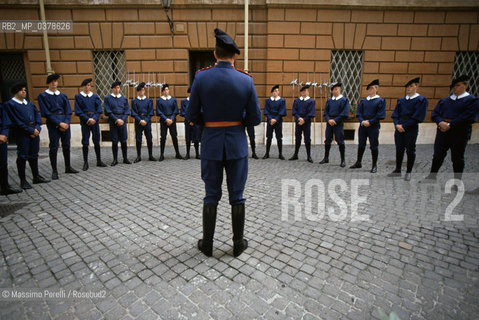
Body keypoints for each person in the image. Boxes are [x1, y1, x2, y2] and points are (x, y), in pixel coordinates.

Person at [186, 28, 261, 257]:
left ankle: (207, 244)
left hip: (211, 143)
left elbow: (191, 114)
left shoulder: (201, 77)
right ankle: (238, 244)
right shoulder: (246, 80)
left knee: (211, 194)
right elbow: (256, 118)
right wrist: (239, 123)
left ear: (215, 53)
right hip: (237, 144)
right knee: (237, 195)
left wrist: (206, 122)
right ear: (234, 56)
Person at [423, 75, 479, 182]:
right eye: (454, 86)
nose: (455, 88)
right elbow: (435, 114)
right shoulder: (445, 101)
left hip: (459, 132)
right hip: (442, 131)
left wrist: (450, 125)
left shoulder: (472, 101)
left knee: (457, 157)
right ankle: (432, 176)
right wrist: (440, 122)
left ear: (465, 86)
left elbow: (469, 117)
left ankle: (457, 181)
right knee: (438, 154)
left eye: (458, 85)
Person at [4, 82, 50, 189]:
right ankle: (23, 180)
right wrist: (30, 130)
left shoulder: (29, 104)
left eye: (25, 90)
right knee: (22, 156)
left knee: (34, 155)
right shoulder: (10, 105)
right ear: (16, 92)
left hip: (34, 133)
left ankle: (36, 176)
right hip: (22, 134)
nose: (24, 92)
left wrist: (37, 129)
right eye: (22, 90)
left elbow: (37, 118)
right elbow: (16, 121)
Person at [38, 73, 78, 180]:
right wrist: (59, 123)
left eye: (55, 81)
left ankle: (68, 166)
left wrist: (66, 122)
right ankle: (54, 170)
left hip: (65, 123)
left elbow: (68, 111)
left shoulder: (62, 96)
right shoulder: (43, 96)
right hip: (53, 123)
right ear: (48, 83)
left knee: (66, 146)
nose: (54, 83)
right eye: (52, 81)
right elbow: (46, 113)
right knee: (54, 147)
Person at [388, 77, 428, 181]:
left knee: (410, 150)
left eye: (411, 86)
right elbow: (395, 114)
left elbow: (418, 117)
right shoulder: (401, 100)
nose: (409, 88)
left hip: (411, 128)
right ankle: (397, 169)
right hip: (399, 127)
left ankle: (408, 171)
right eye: (408, 86)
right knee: (399, 149)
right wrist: (397, 124)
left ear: (416, 87)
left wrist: (404, 126)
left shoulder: (421, 100)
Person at [350, 79, 386, 173]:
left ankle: (374, 165)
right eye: (369, 88)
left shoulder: (380, 101)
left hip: (373, 126)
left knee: (374, 146)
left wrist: (370, 122)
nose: (370, 90)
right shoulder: (363, 101)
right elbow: (359, 113)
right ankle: (358, 162)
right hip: (363, 126)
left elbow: (380, 115)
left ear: (376, 89)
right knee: (361, 144)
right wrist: (362, 121)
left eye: (372, 88)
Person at [74, 78, 107, 171]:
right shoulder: (78, 97)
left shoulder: (95, 97)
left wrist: (94, 119)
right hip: (85, 122)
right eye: (86, 85)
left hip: (94, 121)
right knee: (85, 142)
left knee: (96, 140)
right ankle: (85, 162)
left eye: (89, 85)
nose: (87, 87)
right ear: (83, 86)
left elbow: (99, 110)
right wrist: (88, 119)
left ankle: (99, 160)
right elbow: (78, 111)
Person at [319, 82, 349, 167]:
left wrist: (335, 120)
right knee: (327, 140)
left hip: (338, 123)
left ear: (340, 90)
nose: (335, 91)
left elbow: (345, 113)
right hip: (329, 123)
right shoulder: (329, 101)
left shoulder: (344, 100)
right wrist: (329, 120)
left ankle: (343, 160)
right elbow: (325, 113)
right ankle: (326, 157)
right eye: (334, 89)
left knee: (340, 141)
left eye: (337, 89)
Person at [104, 81, 131, 166]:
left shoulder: (124, 99)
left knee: (123, 140)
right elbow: (108, 111)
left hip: (122, 122)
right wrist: (116, 120)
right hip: (113, 121)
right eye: (115, 87)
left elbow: (127, 111)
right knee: (114, 140)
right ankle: (115, 159)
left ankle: (125, 158)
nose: (117, 89)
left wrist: (122, 120)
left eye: (118, 87)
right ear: (112, 89)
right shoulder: (108, 99)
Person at [0, 101, 22, 195]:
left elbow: (5, 121)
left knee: (2, 164)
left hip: (1, 139)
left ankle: (5, 187)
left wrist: (4, 134)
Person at [289, 85, 315, 163]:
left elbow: (311, 113)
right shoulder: (297, 101)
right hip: (298, 121)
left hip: (306, 122)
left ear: (308, 92)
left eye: (305, 91)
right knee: (297, 138)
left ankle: (308, 155)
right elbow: (294, 111)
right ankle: (296, 154)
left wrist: (304, 119)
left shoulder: (311, 101)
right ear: (301, 92)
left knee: (307, 139)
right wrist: (299, 118)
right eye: (302, 91)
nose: (304, 92)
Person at [156, 84, 182, 161]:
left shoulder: (173, 100)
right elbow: (159, 111)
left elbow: (176, 110)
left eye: (167, 89)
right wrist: (166, 119)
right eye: (165, 90)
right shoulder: (159, 100)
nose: (166, 91)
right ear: (163, 91)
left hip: (172, 120)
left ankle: (177, 153)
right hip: (164, 121)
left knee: (174, 136)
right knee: (163, 137)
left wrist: (171, 119)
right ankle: (162, 154)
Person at [131, 82, 156, 162]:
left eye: (143, 90)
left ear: (144, 90)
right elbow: (134, 113)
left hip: (147, 121)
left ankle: (150, 155)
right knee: (138, 139)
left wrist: (146, 120)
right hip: (138, 122)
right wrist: (140, 120)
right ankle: (138, 156)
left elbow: (151, 112)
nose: (141, 91)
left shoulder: (149, 101)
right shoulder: (134, 101)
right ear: (137, 92)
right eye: (140, 90)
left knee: (149, 138)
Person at [263, 84, 286, 160]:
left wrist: (276, 119)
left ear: (278, 92)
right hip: (270, 121)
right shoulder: (268, 101)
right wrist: (270, 119)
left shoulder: (282, 101)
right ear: (272, 92)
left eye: (276, 91)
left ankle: (280, 154)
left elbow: (282, 111)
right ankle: (267, 153)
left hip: (278, 121)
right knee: (269, 137)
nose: (275, 92)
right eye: (274, 91)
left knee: (279, 137)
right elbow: (266, 111)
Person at [180, 87, 200, 160]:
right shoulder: (184, 102)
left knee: (196, 138)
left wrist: (193, 120)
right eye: (190, 93)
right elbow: (183, 112)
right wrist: (189, 120)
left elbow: (198, 111)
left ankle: (197, 153)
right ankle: (187, 153)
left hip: (195, 122)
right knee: (188, 138)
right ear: (188, 93)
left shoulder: (197, 101)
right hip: (187, 122)